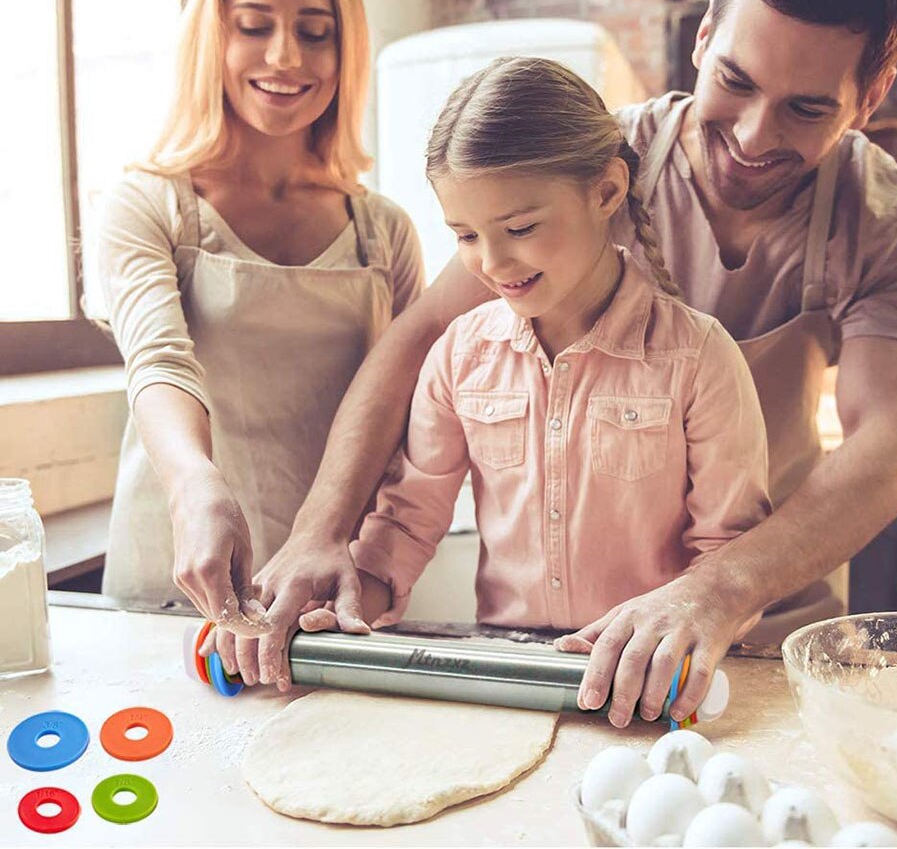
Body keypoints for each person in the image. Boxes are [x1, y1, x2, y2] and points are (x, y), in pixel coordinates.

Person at [242, 0, 897, 721]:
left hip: (762, 622)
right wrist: (321, 532)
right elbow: (424, 339)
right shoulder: (583, 170)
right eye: (735, 81)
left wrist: (715, 592)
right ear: (701, 40)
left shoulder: (891, 218)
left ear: (870, 97)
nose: (756, 137)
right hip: (548, 657)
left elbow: (887, 451)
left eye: (807, 108)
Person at [289, 58, 770, 727]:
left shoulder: (698, 358)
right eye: (465, 236)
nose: (492, 263)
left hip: (649, 685)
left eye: (518, 229)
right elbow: (404, 525)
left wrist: (677, 636)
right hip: (505, 684)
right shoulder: (459, 354)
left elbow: (729, 553)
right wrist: (339, 610)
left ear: (606, 193)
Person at [96, 0, 423, 652]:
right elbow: (158, 362)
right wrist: (194, 485)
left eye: (315, 31)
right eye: (253, 26)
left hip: (333, 597)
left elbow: (411, 412)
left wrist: (374, 564)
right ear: (214, 35)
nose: (285, 56)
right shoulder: (149, 204)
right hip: (174, 587)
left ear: (347, 52)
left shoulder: (385, 230)